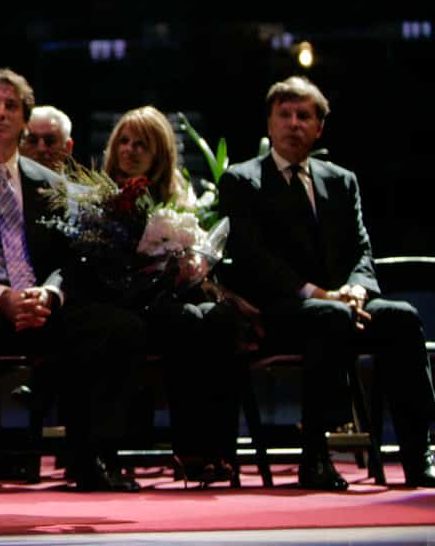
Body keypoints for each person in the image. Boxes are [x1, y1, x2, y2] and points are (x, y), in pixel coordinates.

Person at [0, 68, 146, 495]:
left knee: (119, 327)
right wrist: (0, 296)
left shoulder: (50, 184)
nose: (1, 113)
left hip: (41, 304)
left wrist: (51, 292)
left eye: (11, 106)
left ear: (23, 120)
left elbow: (71, 258)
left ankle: (96, 456)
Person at [219, 76, 435, 490]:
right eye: (284, 115)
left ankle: (416, 453)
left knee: (403, 318)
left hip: (342, 304)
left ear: (319, 128)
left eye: (304, 116)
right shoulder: (242, 181)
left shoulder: (341, 180)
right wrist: (322, 294)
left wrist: (357, 289)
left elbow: (361, 250)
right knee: (327, 316)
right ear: (269, 123)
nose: (294, 123)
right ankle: (316, 455)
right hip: (278, 310)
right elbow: (255, 260)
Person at [98, 106, 245, 486]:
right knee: (186, 320)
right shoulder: (101, 197)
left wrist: (192, 265)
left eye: (140, 145)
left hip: (174, 296)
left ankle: (221, 449)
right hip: (128, 303)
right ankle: (191, 449)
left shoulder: (178, 197)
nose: (129, 150)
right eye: (124, 142)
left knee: (221, 317)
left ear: (159, 156)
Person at [20, 105, 74, 171]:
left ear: (68, 147)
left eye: (49, 141)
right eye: (32, 141)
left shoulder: (83, 181)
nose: (41, 149)